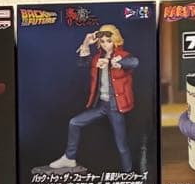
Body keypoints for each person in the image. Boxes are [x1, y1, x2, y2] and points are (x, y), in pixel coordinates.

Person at [49, 25, 137, 174]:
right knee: (74, 122)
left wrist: (113, 63)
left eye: (108, 41)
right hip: (101, 105)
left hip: (116, 107)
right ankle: (69, 157)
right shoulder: (97, 58)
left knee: (121, 145)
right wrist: (86, 43)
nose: (105, 44)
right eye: (102, 41)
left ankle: (129, 173)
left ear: (115, 41)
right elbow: (82, 63)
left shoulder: (122, 56)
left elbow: (134, 62)